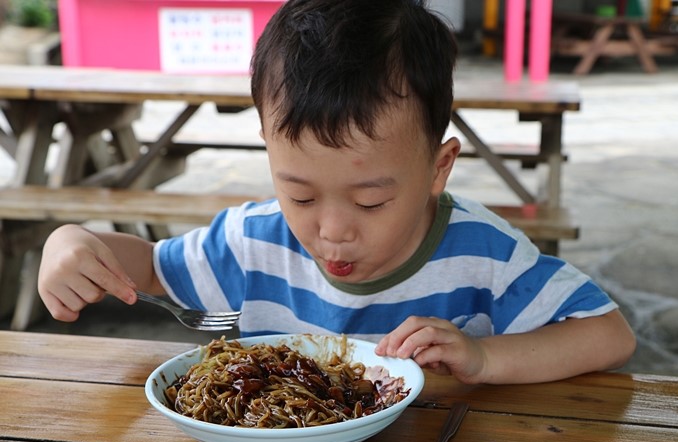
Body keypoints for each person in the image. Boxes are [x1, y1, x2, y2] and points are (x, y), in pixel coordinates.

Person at [38, 0, 635, 385]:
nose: (331, 230)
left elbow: (607, 335)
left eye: (371, 201)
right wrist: (75, 243)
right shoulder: (252, 242)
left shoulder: (483, 252)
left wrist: (484, 359)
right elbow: (149, 270)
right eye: (298, 194)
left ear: (438, 167)